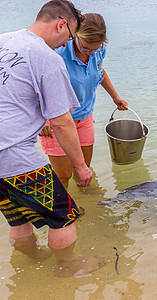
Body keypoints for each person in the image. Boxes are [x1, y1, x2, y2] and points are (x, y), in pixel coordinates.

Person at [0, 0, 103, 277]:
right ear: (61, 24)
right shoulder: (46, 57)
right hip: (13, 155)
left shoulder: (4, 40)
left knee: (17, 216)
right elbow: (61, 121)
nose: (64, 44)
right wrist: (81, 167)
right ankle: (66, 267)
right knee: (65, 215)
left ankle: (32, 262)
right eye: (68, 37)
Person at [39, 13, 128, 189]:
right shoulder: (57, 52)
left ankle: (85, 207)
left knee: (83, 170)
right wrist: (44, 118)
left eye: (95, 49)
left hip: (85, 117)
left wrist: (115, 96)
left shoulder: (98, 50)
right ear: (75, 35)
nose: (90, 53)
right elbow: (37, 84)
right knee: (63, 175)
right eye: (86, 48)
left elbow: (99, 71)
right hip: (58, 121)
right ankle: (61, 212)